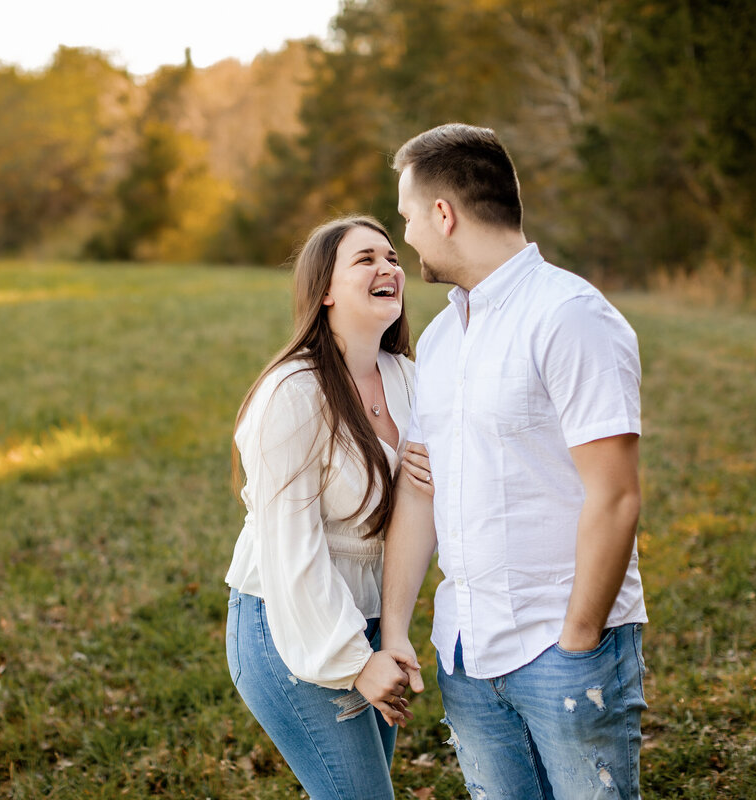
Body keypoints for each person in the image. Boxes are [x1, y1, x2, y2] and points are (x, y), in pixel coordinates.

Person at [379, 123, 648, 799]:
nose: (406, 236)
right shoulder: (440, 340)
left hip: (561, 646)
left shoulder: (570, 317)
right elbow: (420, 489)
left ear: (444, 215)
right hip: (466, 652)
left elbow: (615, 496)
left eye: (409, 217)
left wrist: (579, 639)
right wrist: (398, 630)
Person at [224, 215, 433, 799]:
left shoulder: (412, 381)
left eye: (392, 258)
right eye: (365, 259)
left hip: (369, 619)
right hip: (288, 619)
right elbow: (291, 550)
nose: (388, 268)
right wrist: (353, 660)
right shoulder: (293, 392)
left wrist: (390, 637)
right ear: (324, 291)